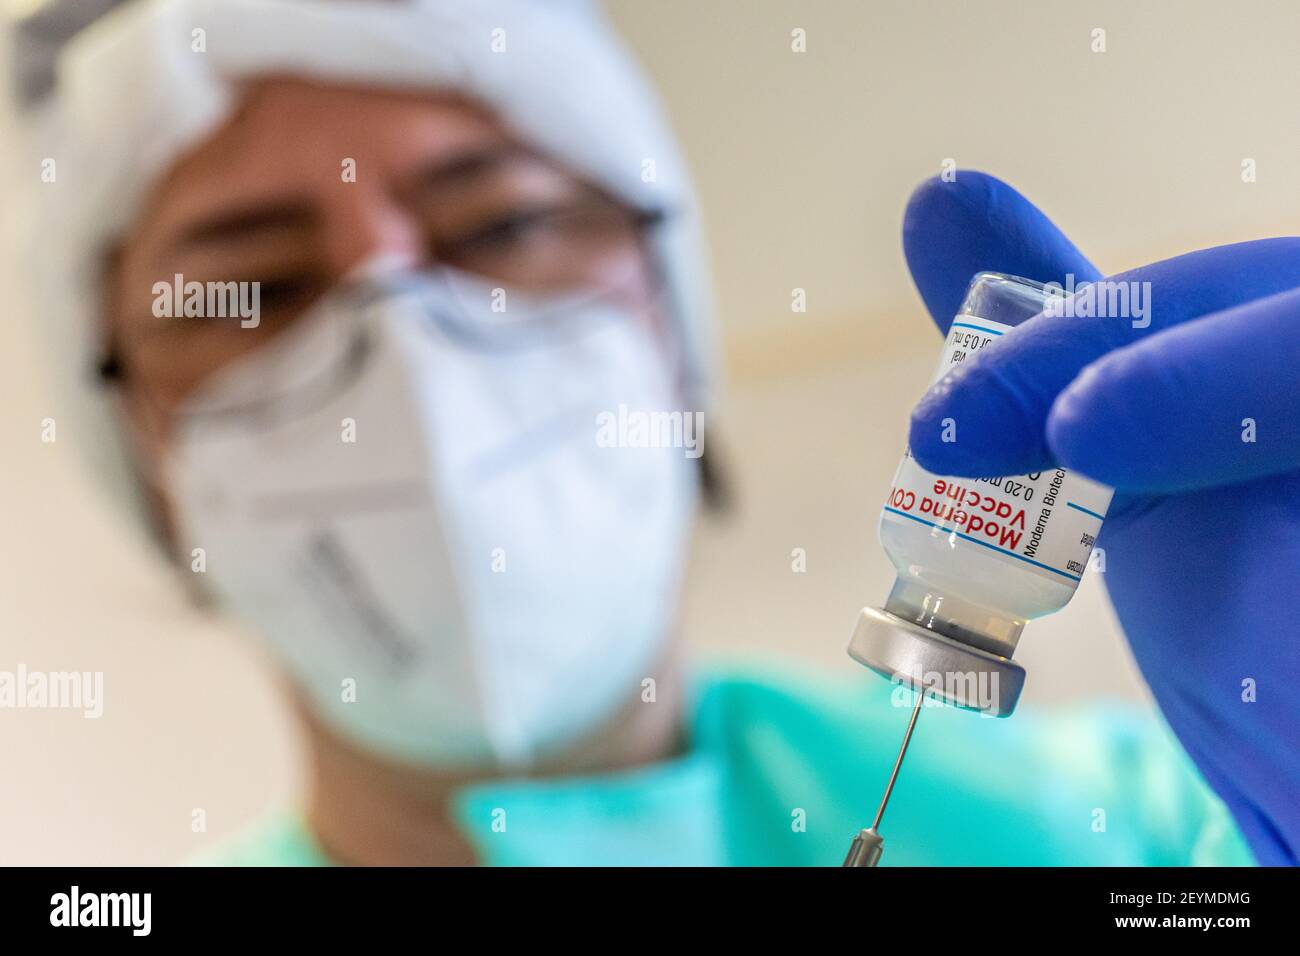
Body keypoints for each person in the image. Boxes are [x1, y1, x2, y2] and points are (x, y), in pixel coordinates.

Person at [11, 0, 1293, 866]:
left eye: (500, 228)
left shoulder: (1153, 828)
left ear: (671, 337)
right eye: (261, 289)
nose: (403, 354)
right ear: (143, 455)